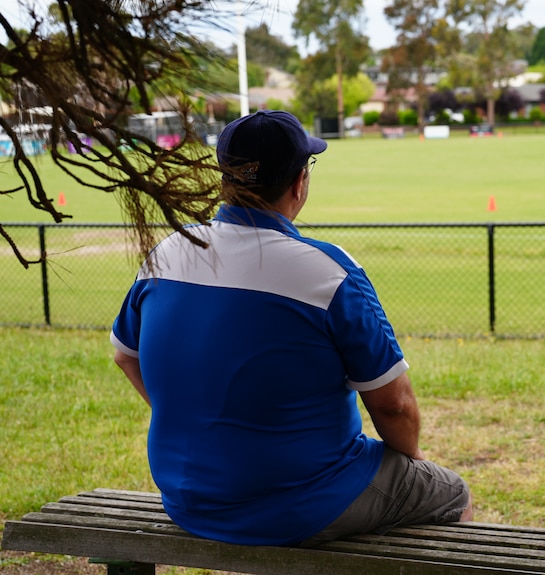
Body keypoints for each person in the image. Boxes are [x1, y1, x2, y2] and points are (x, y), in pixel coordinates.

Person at [110, 109, 473, 548]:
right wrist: (413, 463)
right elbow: (394, 405)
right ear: (300, 182)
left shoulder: (167, 252)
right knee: (453, 494)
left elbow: (124, 354)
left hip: (188, 500)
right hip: (301, 502)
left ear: (225, 181)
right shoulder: (327, 271)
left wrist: (194, 419)